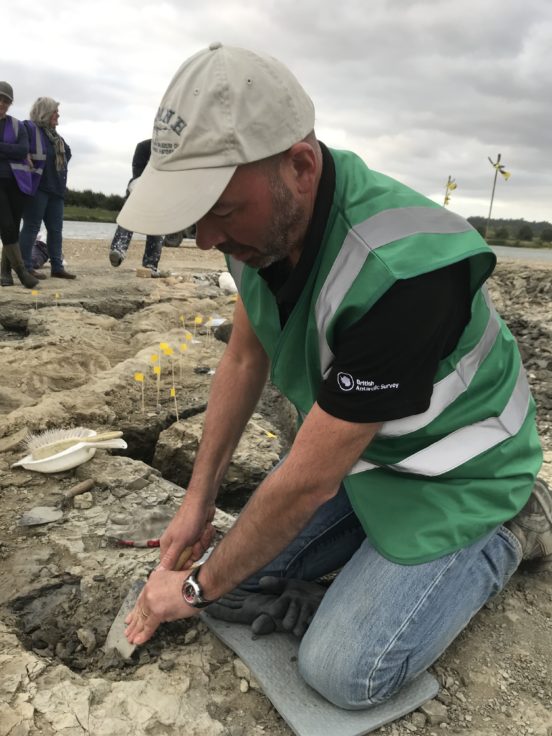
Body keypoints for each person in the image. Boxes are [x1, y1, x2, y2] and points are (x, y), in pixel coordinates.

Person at [118, 44, 548, 709]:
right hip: (371, 460)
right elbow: (243, 355)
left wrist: (195, 587)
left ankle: (515, 528)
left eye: (222, 211)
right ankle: (373, 556)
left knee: (344, 671)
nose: (204, 237)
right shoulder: (261, 233)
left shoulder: (407, 272)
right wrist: (197, 502)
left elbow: (309, 478)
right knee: (241, 592)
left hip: (462, 475)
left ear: (300, 165)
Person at [109, 138, 184, 276]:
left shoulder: (175, 151)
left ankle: (150, 264)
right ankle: (118, 250)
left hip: (162, 192)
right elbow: (137, 174)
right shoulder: (143, 147)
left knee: (157, 226)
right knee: (129, 217)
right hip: (139, 188)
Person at [19, 96, 76, 279]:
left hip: (56, 189)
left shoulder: (56, 137)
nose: (58, 115)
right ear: (45, 113)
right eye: (55, 111)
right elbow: (20, 148)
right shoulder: (29, 128)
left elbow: (67, 154)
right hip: (38, 187)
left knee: (56, 229)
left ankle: (57, 267)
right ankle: (25, 266)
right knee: (32, 226)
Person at [0, 81, 38, 289]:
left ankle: (4, 271)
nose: (2, 103)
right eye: (0, 99)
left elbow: (22, 150)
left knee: (13, 227)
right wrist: (9, 149)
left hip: (17, 182)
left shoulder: (17, 125)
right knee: (5, 224)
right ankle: (21, 271)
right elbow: (15, 150)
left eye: (6, 100)